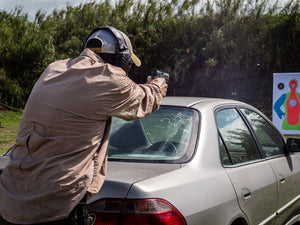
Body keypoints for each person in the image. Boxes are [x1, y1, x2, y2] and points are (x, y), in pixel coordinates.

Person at [0, 26, 167, 224]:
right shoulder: (109, 78)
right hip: (53, 207)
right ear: (120, 59)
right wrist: (159, 83)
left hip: (11, 199)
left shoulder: (54, 68)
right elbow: (145, 101)